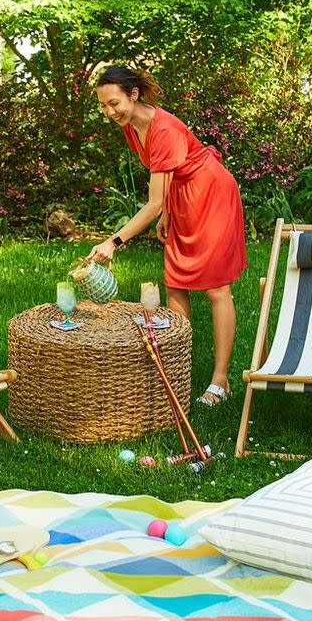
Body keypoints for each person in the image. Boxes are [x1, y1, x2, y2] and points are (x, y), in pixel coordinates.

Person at [88, 64, 246, 406]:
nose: (109, 112)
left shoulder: (165, 130)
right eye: (103, 106)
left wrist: (114, 241)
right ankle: (179, 370)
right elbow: (166, 184)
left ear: (133, 94)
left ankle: (220, 380)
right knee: (176, 281)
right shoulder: (132, 126)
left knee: (216, 288)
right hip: (183, 197)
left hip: (211, 193)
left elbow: (153, 202)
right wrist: (171, 214)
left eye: (114, 103)